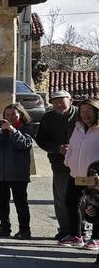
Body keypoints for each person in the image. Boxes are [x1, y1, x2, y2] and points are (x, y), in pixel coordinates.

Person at [0, 104, 35, 239]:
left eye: (14, 115)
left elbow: (24, 144)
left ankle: (25, 230)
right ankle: (4, 227)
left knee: (20, 203)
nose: (10, 117)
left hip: (18, 173)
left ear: (21, 115)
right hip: (1, 172)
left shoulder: (26, 128)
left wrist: (13, 130)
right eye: (7, 115)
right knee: (2, 203)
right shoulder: (0, 129)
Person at [36, 90, 81, 244]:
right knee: (61, 198)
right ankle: (65, 230)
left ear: (71, 100)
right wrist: (57, 148)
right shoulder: (48, 118)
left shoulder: (82, 115)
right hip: (59, 164)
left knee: (83, 199)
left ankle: (81, 230)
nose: (58, 104)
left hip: (82, 164)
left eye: (62, 101)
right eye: (55, 102)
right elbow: (41, 140)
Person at [63, 98, 99, 251]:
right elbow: (71, 147)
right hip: (76, 174)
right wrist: (68, 161)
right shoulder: (77, 128)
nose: (85, 115)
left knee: (95, 207)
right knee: (71, 202)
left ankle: (96, 238)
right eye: (82, 112)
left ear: (96, 112)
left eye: (89, 111)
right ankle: (76, 235)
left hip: (95, 177)